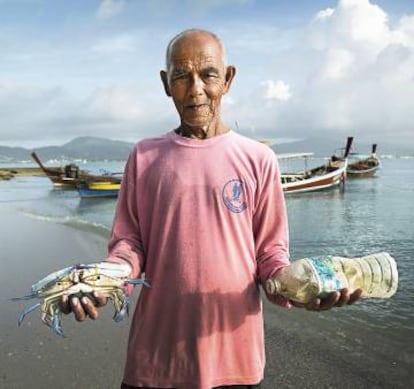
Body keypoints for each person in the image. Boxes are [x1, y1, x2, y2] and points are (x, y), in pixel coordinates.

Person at [61, 28, 362, 389]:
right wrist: (102, 280)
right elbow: (129, 244)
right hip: (156, 362)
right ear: (165, 83)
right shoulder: (144, 156)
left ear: (228, 78)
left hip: (236, 359)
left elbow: (270, 256)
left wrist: (302, 289)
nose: (195, 90)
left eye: (208, 75)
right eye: (181, 76)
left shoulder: (258, 159)